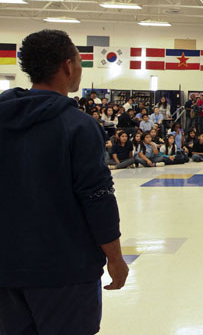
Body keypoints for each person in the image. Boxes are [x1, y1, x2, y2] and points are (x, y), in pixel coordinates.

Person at [0, 29, 127, 334]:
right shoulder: (78, 126)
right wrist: (115, 258)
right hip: (65, 271)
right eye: (80, 62)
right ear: (68, 66)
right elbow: (97, 198)